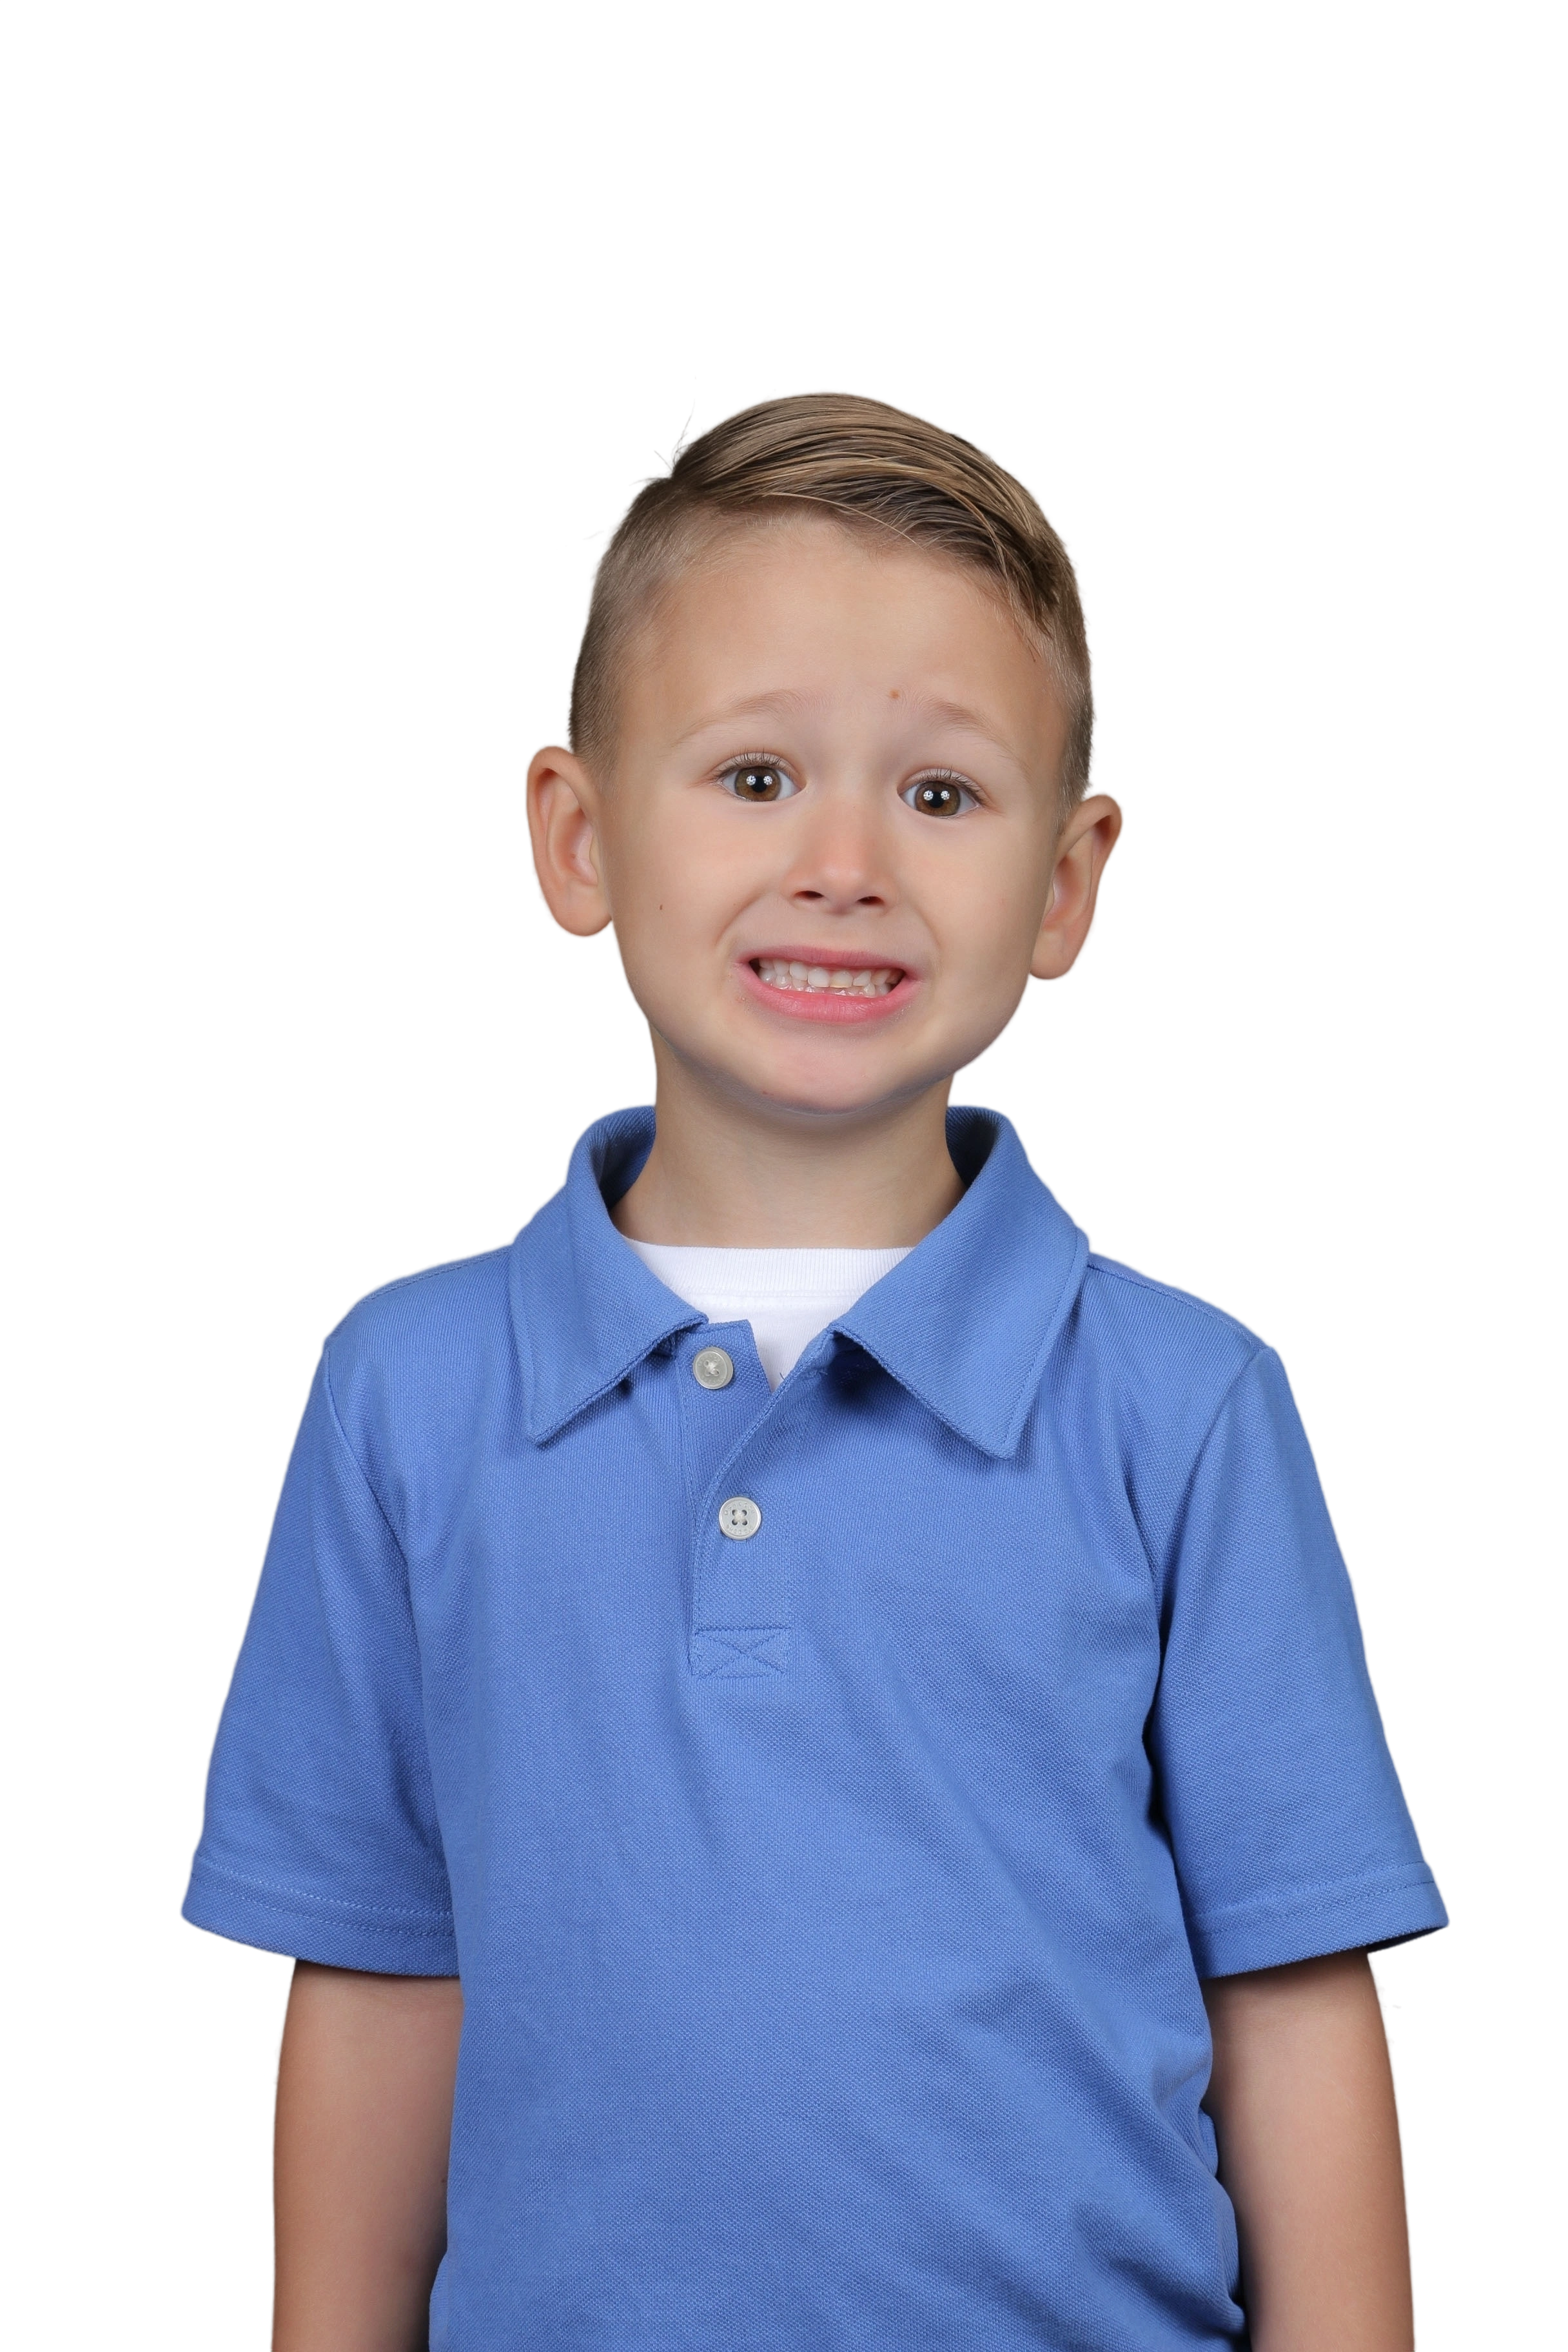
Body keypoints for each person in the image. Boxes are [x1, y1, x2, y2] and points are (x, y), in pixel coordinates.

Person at [178, 389, 1450, 2352]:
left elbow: (1290, 1991)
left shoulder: (1185, 1403)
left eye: (940, 794)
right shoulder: (410, 1393)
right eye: (756, 774)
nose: (845, 861)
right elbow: (377, 1968)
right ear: (579, 838)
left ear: (1068, 882)